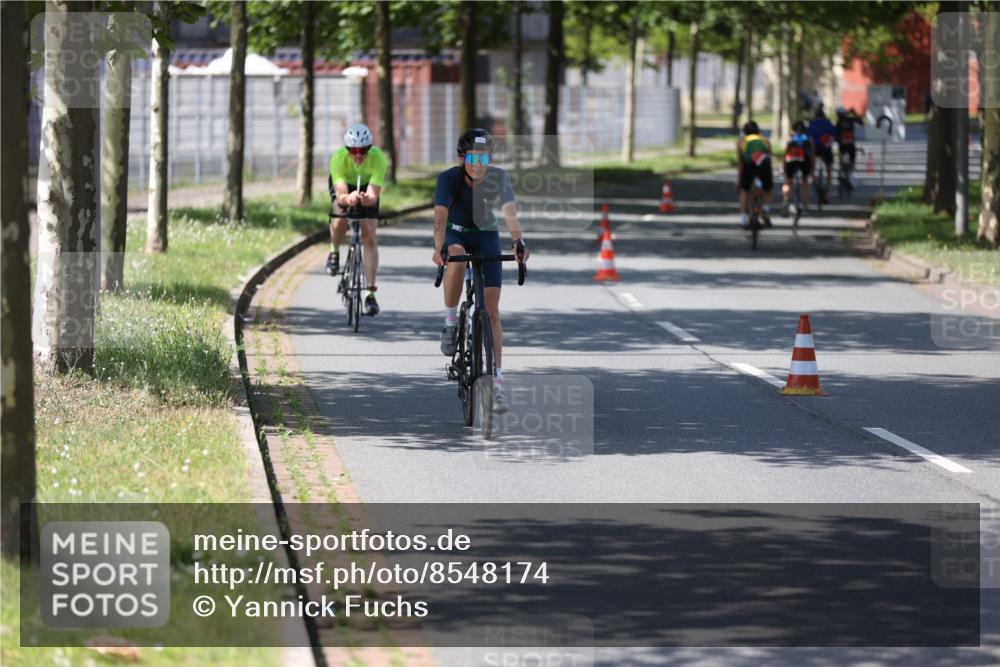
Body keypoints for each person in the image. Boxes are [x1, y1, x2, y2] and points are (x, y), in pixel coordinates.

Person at [432, 129, 529, 414]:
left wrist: (517, 241)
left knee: (493, 311)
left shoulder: (498, 177)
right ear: (462, 158)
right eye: (472, 157)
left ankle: (497, 381)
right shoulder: (448, 179)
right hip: (456, 234)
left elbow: (509, 211)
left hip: (486, 234)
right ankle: (451, 321)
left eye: (483, 157)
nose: (478, 163)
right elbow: (440, 218)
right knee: (458, 258)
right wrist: (440, 248)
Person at [327, 123, 389, 316]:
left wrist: (364, 199)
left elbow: (373, 197)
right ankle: (334, 252)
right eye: (354, 151)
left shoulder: (379, 159)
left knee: (369, 234)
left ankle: (370, 293)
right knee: (339, 217)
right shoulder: (338, 159)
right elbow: (341, 195)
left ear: (370, 148)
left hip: (367, 188)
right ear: (347, 149)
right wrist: (349, 199)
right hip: (345, 188)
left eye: (363, 151)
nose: (359, 155)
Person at [736, 120, 773, 228]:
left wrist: (739, 180)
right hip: (764, 166)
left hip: (749, 166)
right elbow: (769, 158)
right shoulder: (765, 140)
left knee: (745, 191)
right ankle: (765, 210)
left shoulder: (742, 142)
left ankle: (743, 219)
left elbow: (740, 163)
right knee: (768, 189)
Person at [782, 120, 814, 214]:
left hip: (791, 162)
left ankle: (786, 201)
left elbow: (785, 153)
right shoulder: (808, 138)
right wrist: (812, 168)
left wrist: (783, 166)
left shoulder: (790, 138)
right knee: (805, 181)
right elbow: (812, 155)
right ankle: (805, 203)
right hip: (804, 162)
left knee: (788, 181)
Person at [807, 107, 837, 203]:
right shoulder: (828, 122)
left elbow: (808, 135)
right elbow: (834, 133)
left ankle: (813, 177)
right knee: (829, 168)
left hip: (815, 148)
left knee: (812, 161)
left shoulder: (812, 123)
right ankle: (828, 189)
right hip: (825, 148)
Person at [834, 106, 862, 171]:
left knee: (842, 156)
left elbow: (836, 134)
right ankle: (850, 170)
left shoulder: (839, 122)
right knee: (852, 157)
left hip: (842, 143)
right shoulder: (850, 119)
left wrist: (837, 139)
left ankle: (842, 168)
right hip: (850, 143)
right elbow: (860, 122)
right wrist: (854, 113)